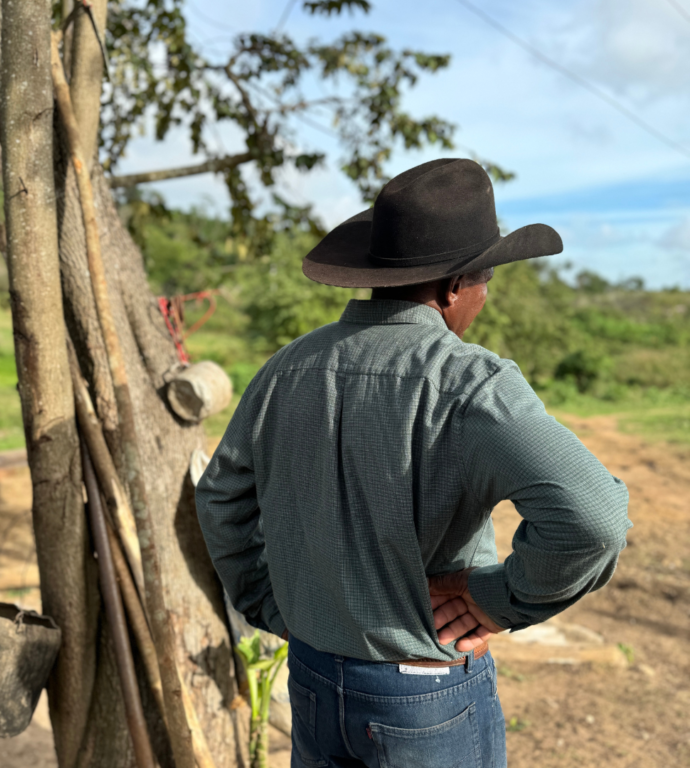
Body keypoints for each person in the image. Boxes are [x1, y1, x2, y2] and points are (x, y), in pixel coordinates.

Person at [195, 158, 632, 768]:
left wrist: (273, 605)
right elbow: (594, 519)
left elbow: (220, 498)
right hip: (425, 692)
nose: (482, 299)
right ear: (454, 287)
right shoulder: (469, 381)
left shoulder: (286, 368)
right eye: (486, 283)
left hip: (315, 679)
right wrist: (501, 597)